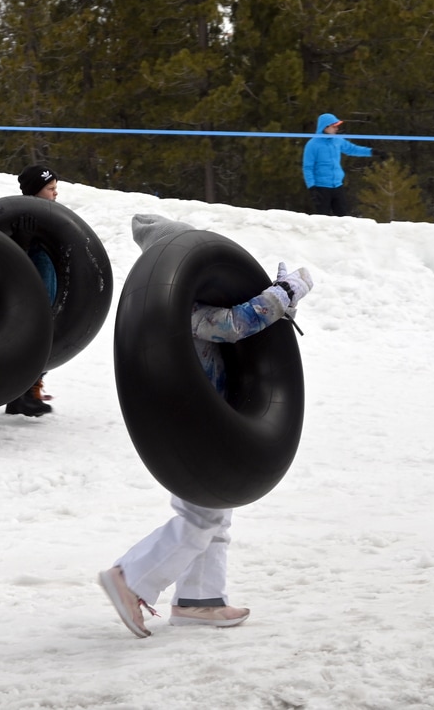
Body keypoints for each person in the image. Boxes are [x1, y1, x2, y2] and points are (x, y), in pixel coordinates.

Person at [97, 213, 313, 637]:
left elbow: (240, 320)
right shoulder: (180, 313)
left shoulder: (192, 305)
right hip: (194, 428)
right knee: (202, 519)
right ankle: (130, 578)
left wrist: (274, 295)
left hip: (214, 420)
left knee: (215, 513)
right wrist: (285, 293)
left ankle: (201, 599)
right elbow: (234, 325)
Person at [5, 163, 61, 417]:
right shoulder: (21, 219)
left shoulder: (53, 218)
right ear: (35, 192)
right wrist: (22, 242)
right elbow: (11, 265)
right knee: (32, 338)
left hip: (48, 291)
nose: (56, 193)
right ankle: (22, 393)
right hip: (31, 296)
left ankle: (27, 390)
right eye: (50, 188)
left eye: (55, 188)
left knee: (47, 338)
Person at [301, 113, 376, 216]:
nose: (336, 129)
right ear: (325, 127)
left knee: (343, 219)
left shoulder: (337, 141)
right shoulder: (312, 145)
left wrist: (372, 152)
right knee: (322, 220)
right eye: (334, 126)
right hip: (321, 188)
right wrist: (312, 187)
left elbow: (352, 149)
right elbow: (308, 168)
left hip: (337, 186)